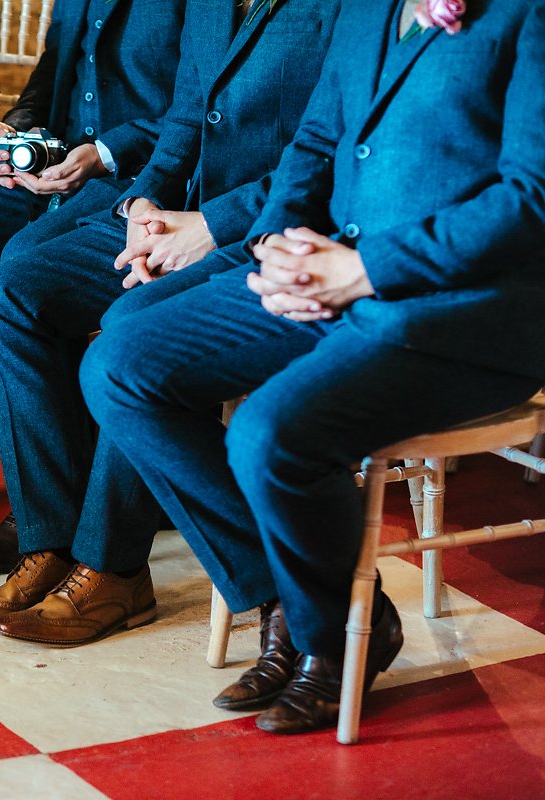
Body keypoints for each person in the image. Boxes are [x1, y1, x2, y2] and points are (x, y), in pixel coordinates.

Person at [80, 0, 545, 733]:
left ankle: (329, 644)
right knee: (120, 364)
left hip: (462, 313)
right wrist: (275, 249)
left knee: (266, 432)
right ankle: (289, 602)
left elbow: (533, 199)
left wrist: (366, 271)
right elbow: (318, 137)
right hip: (326, 272)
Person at [0, 0, 340, 648]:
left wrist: (212, 230)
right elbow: (186, 116)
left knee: (132, 329)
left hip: (263, 227)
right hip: (175, 211)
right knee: (5, 297)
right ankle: (48, 545)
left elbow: (323, 151)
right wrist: (142, 203)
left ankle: (112, 567)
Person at [0, 0, 184, 535]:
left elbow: (197, 104)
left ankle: (59, 494)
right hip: (52, 163)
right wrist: (12, 132)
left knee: (25, 265)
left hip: (134, 176)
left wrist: (106, 151)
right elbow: (51, 73)